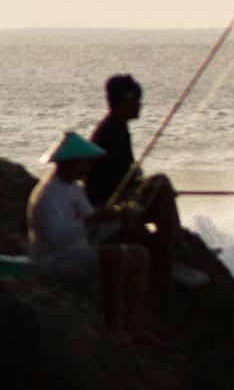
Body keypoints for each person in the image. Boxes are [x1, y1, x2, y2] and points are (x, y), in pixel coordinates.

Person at [27, 132, 161, 346]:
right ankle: (113, 326)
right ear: (70, 163)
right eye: (84, 161)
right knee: (114, 255)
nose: (88, 167)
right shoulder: (48, 195)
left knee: (139, 255)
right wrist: (91, 220)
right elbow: (56, 238)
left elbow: (92, 227)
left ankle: (135, 326)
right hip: (53, 260)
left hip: (77, 251)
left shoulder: (74, 190)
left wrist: (116, 217)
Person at [88, 73, 208, 288]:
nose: (140, 105)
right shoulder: (110, 133)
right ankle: (171, 264)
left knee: (160, 186)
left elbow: (129, 176)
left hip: (114, 198)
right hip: (106, 206)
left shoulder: (117, 127)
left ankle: (177, 250)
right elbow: (116, 183)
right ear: (126, 99)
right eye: (137, 99)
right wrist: (150, 191)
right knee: (160, 185)